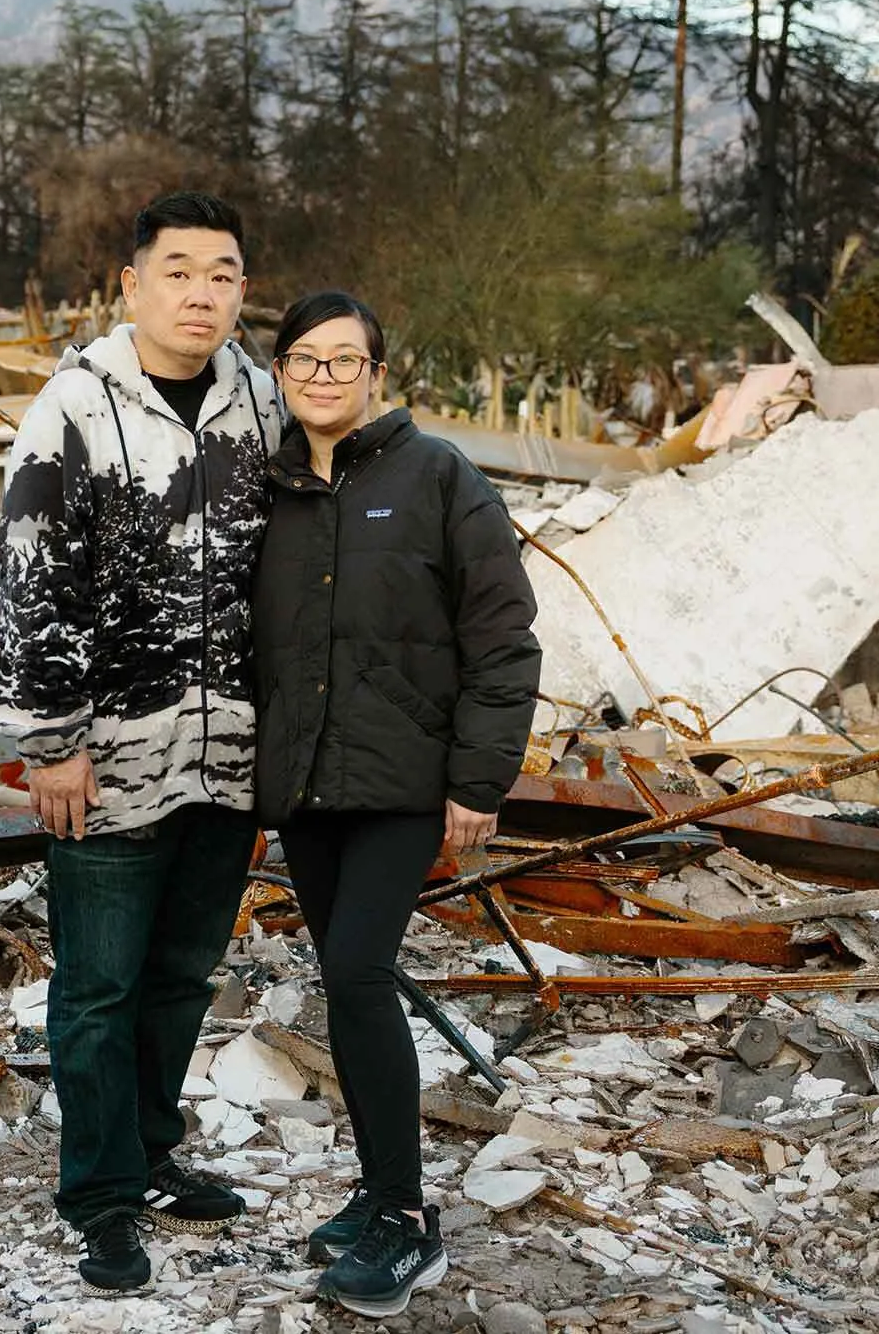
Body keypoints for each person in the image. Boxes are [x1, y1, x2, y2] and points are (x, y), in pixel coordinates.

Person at [0, 192, 284, 1295]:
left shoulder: (258, 402)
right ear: (132, 285)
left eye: (222, 273)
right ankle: (103, 1197)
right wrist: (52, 739)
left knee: (179, 976)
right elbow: (31, 573)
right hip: (109, 755)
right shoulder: (75, 406)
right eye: (179, 271)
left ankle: (153, 1155)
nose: (202, 292)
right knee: (100, 988)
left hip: (230, 755)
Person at [251, 291, 540, 1317]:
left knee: (363, 975)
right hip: (305, 785)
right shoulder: (269, 488)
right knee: (343, 979)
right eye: (303, 360)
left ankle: (410, 1224)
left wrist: (477, 780)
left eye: (344, 360)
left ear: (378, 372)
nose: (322, 376)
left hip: (403, 783)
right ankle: (375, 1193)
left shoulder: (439, 477)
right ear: (279, 372)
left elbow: (503, 637)